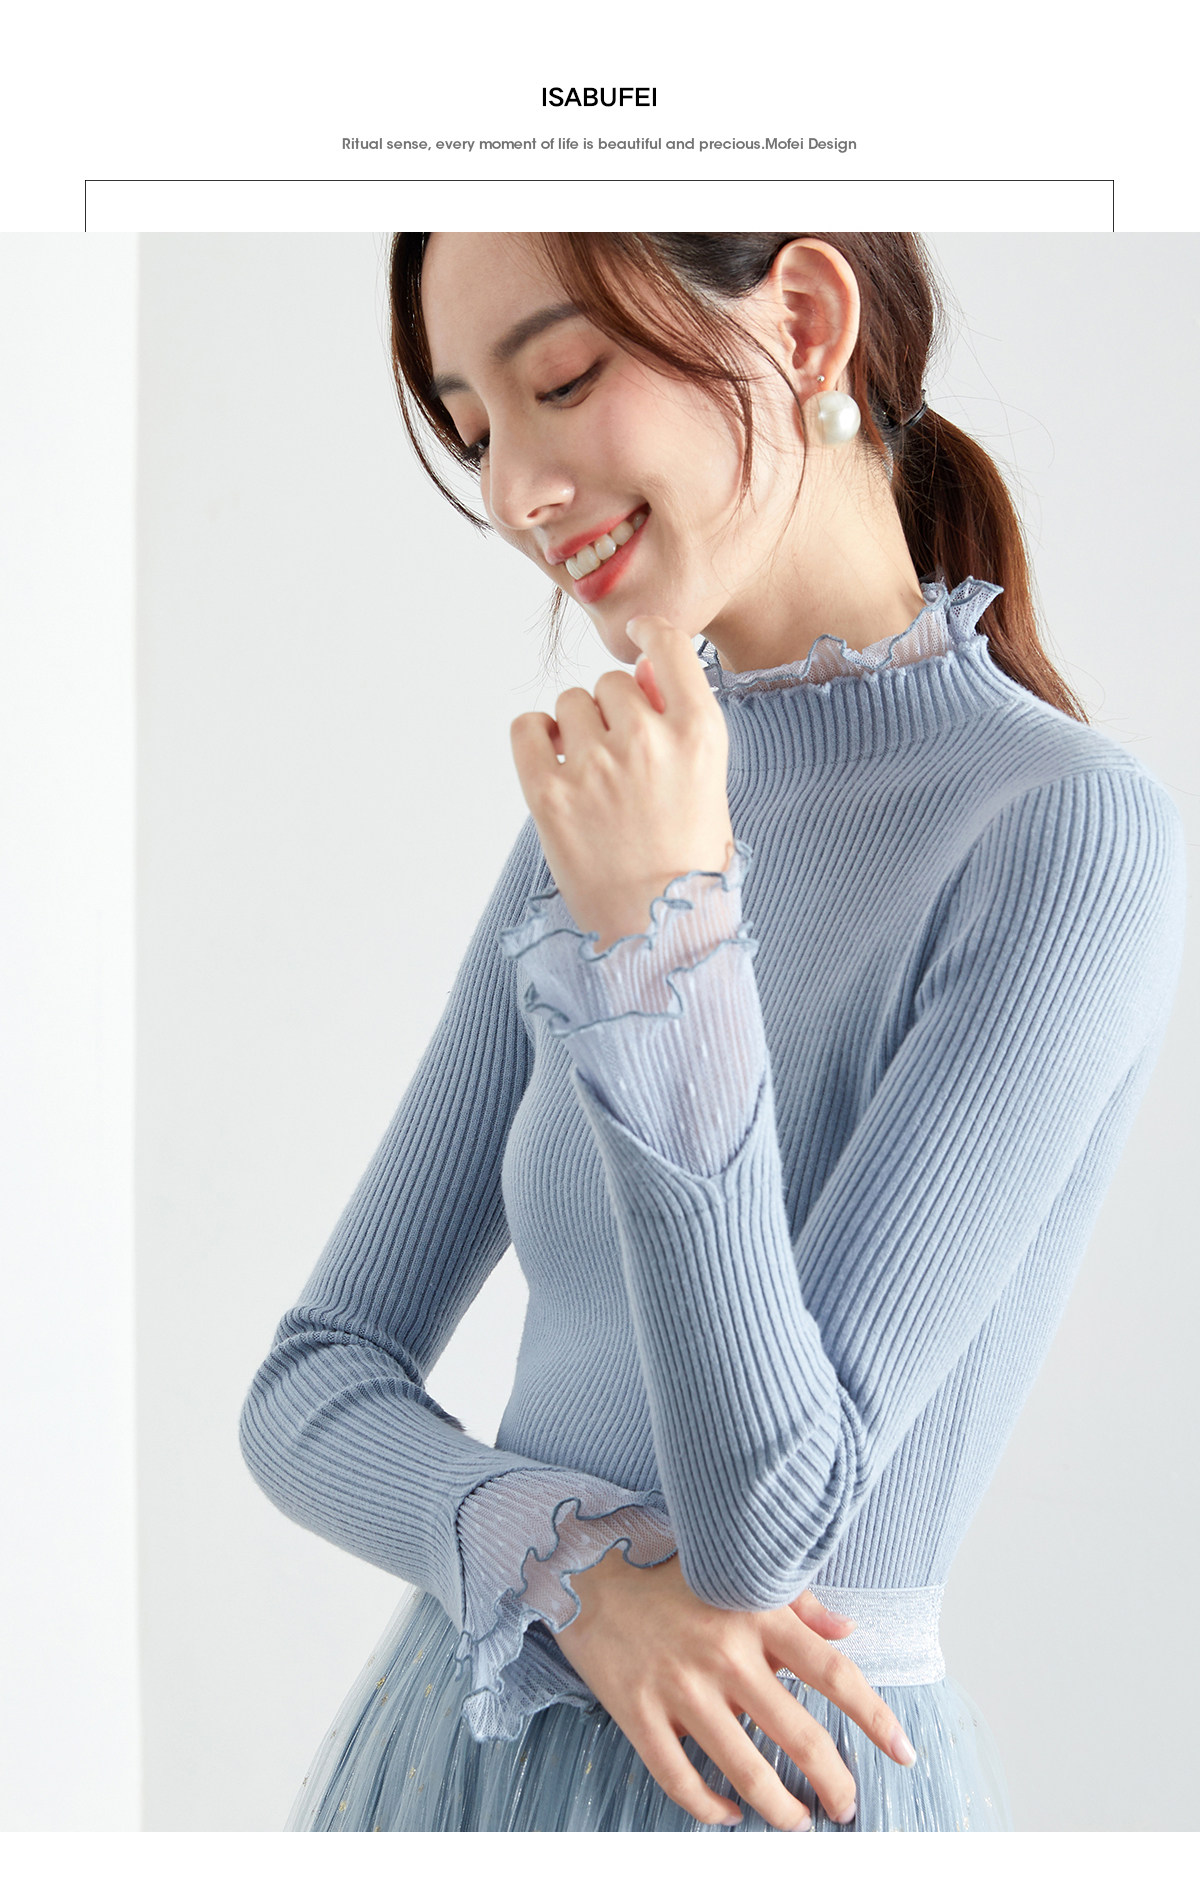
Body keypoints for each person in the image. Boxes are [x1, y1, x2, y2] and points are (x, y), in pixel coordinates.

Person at [238, 231, 1186, 1833]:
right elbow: (311, 1383)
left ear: (803, 322)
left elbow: (771, 1529)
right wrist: (576, 1578)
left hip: (770, 1796)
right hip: (462, 1748)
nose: (516, 492)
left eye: (562, 379)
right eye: (473, 431)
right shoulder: (600, 817)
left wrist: (666, 939)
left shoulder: (1061, 834)